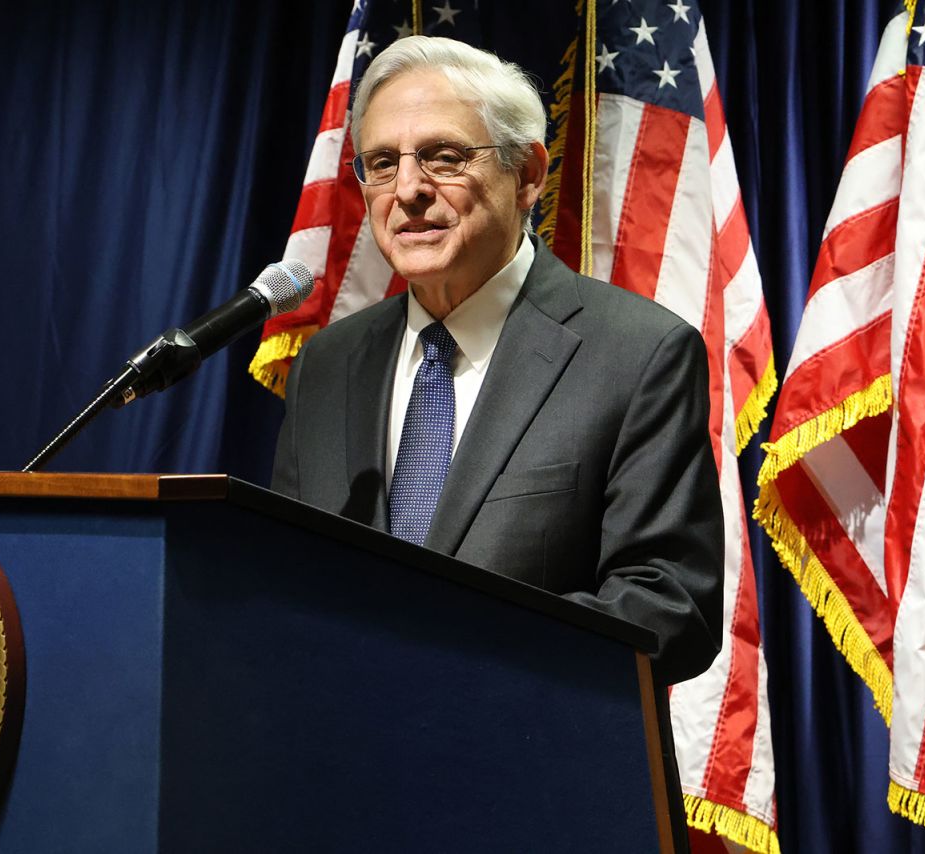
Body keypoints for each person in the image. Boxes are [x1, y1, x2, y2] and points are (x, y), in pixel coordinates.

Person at [271, 36, 723, 686]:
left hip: (537, 766)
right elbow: (285, 579)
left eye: (443, 157)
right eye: (380, 163)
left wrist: (462, 662)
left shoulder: (639, 353)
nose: (408, 190)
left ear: (528, 174)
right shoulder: (326, 364)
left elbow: (671, 605)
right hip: (344, 764)